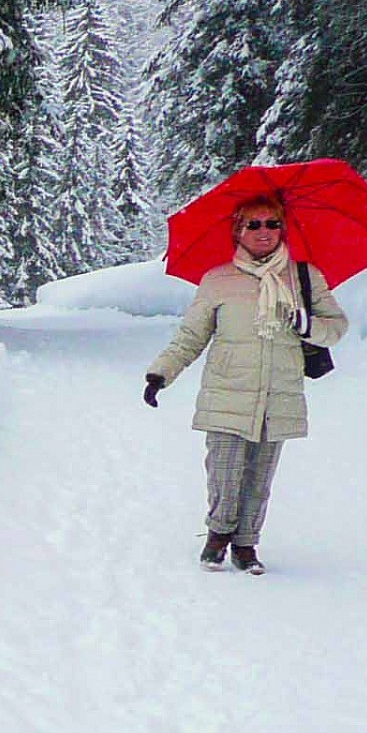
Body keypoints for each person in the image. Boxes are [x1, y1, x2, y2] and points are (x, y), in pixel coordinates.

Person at [142, 193, 348, 573]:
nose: (264, 231)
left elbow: (336, 327)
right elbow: (191, 336)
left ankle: (247, 544)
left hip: (278, 393)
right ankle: (218, 534)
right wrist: (160, 373)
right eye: (253, 224)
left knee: (259, 475)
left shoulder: (304, 277)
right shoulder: (217, 281)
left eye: (272, 223)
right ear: (237, 231)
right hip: (226, 392)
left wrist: (308, 326)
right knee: (224, 469)